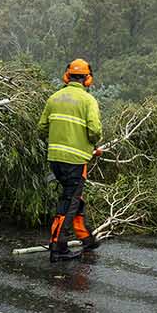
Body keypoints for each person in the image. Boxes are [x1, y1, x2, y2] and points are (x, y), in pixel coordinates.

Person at [38, 58, 103, 260]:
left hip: (55, 159)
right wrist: (91, 144)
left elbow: (41, 129)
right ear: (88, 79)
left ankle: (86, 238)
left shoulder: (54, 98)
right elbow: (94, 131)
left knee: (75, 198)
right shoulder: (88, 100)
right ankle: (57, 246)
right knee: (69, 201)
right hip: (75, 162)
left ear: (67, 76)